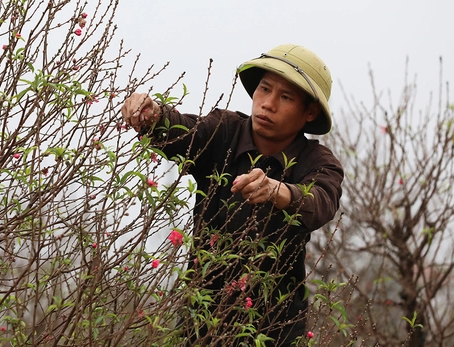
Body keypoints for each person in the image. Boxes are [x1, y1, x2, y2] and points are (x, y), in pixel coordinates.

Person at [121, 44, 343, 346]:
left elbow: (321, 201)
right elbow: (183, 131)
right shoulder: (223, 131)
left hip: (275, 330)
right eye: (265, 89)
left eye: (286, 97)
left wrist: (277, 191)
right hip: (201, 322)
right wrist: (152, 115)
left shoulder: (318, 162)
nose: (268, 104)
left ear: (310, 112)